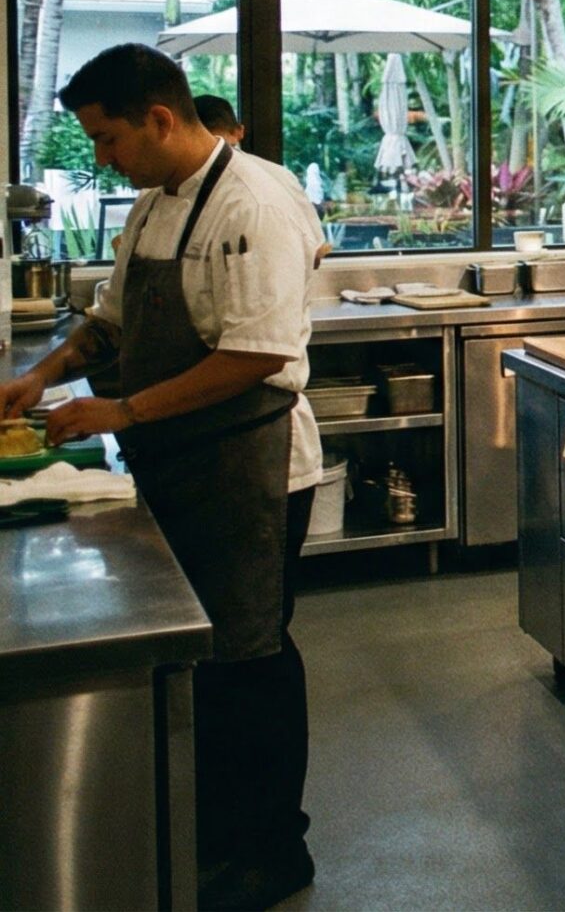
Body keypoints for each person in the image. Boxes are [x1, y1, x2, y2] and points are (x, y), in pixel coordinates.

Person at [0, 44, 327, 911]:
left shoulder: (253, 202)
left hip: (252, 466)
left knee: (251, 658)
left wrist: (123, 410)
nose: (102, 156)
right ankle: (215, 830)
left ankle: (273, 851)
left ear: (159, 118)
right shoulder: (153, 205)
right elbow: (111, 322)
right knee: (205, 661)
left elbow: (256, 354)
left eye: (107, 138)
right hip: (181, 460)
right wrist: (44, 376)